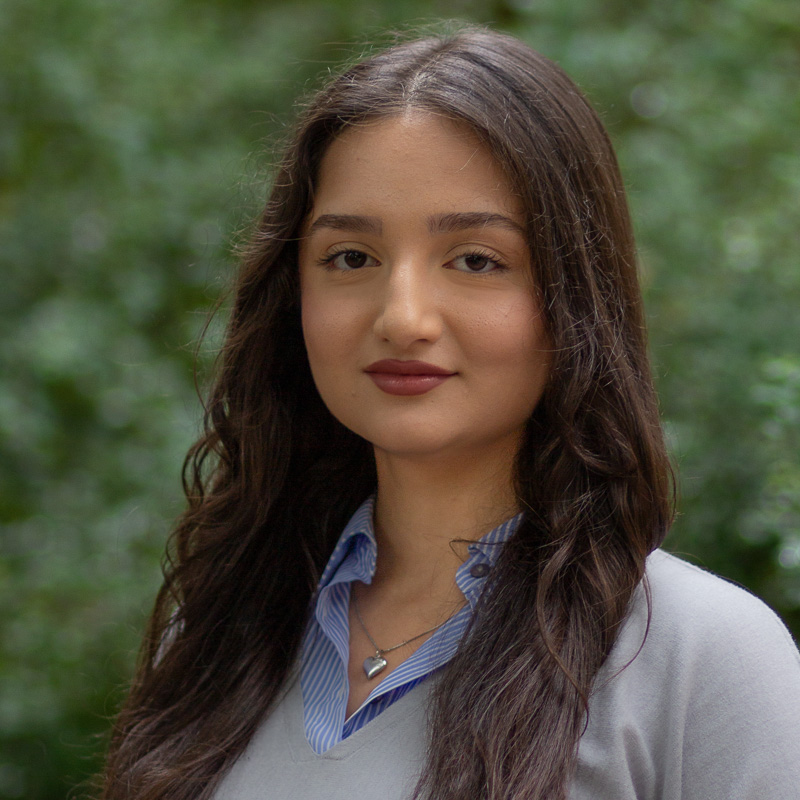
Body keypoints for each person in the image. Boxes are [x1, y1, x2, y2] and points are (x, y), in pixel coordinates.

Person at [100, 26, 800, 800]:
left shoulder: (700, 658)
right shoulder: (216, 635)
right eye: (351, 258)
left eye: (476, 260)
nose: (402, 317)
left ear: (574, 295)